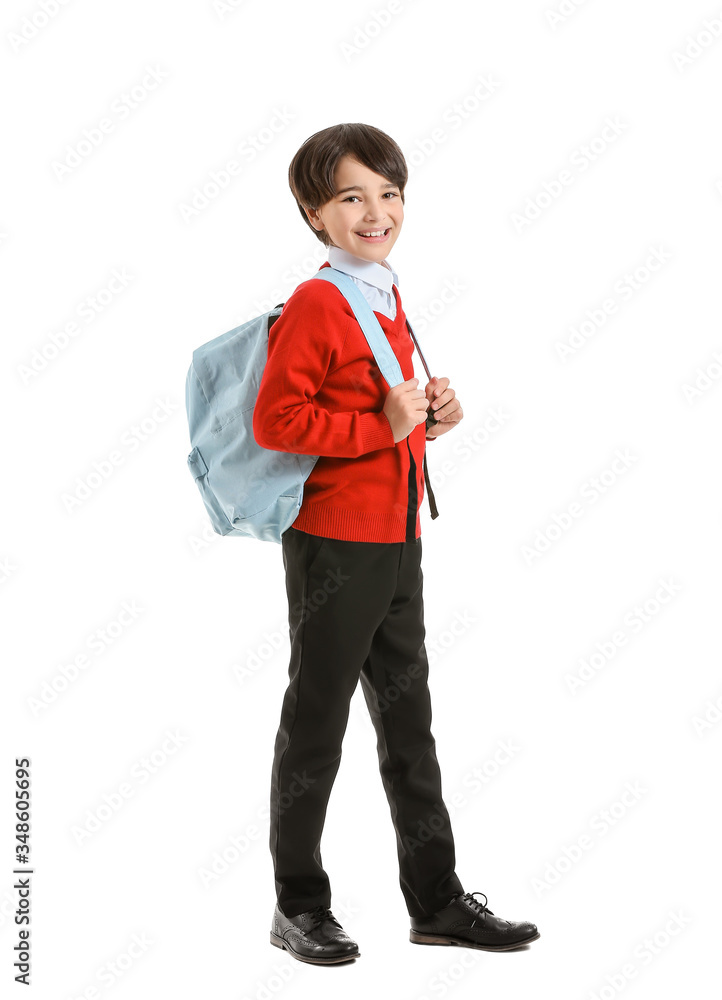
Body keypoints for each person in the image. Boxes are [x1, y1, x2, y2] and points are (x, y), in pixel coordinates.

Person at [252, 122, 539, 965]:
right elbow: (279, 421)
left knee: (409, 726)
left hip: (398, 536)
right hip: (336, 546)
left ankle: (438, 902)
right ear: (314, 213)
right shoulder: (317, 301)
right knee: (317, 727)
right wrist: (382, 421)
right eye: (351, 196)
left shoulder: (382, 290)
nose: (376, 211)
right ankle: (298, 906)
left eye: (389, 192)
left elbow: (383, 418)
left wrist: (429, 419)